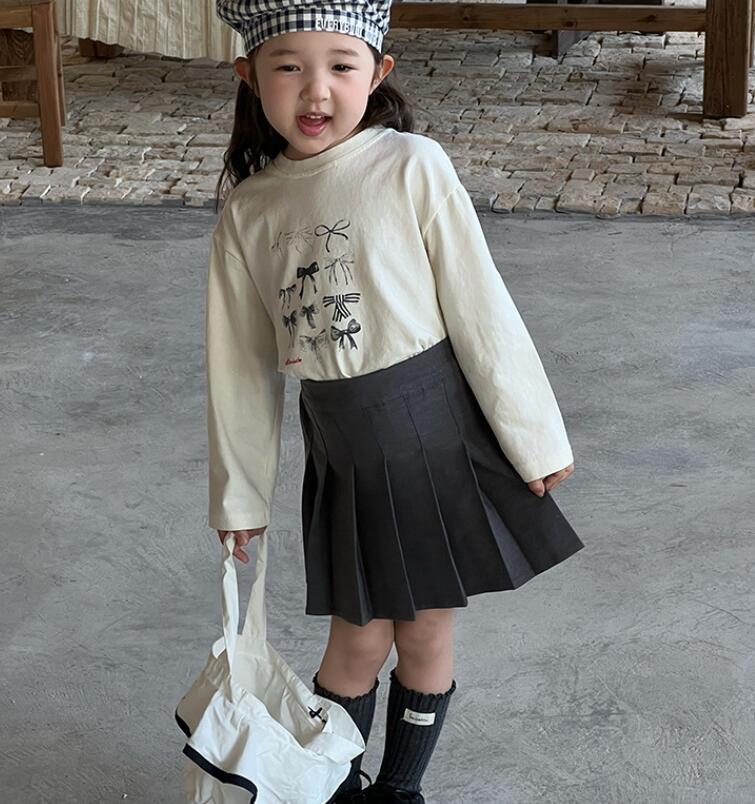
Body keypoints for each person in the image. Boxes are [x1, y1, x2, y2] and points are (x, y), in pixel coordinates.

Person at [208, 1, 585, 802]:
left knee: (423, 631)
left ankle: (399, 790)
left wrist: (533, 437)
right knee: (355, 642)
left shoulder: (412, 165)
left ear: (377, 73)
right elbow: (239, 365)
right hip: (342, 450)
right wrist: (240, 495)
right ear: (249, 77)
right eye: (288, 67)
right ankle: (334, 787)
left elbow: (479, 307)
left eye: (340, 66)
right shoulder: (249, 211)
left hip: (433, 438)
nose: (315, 89)